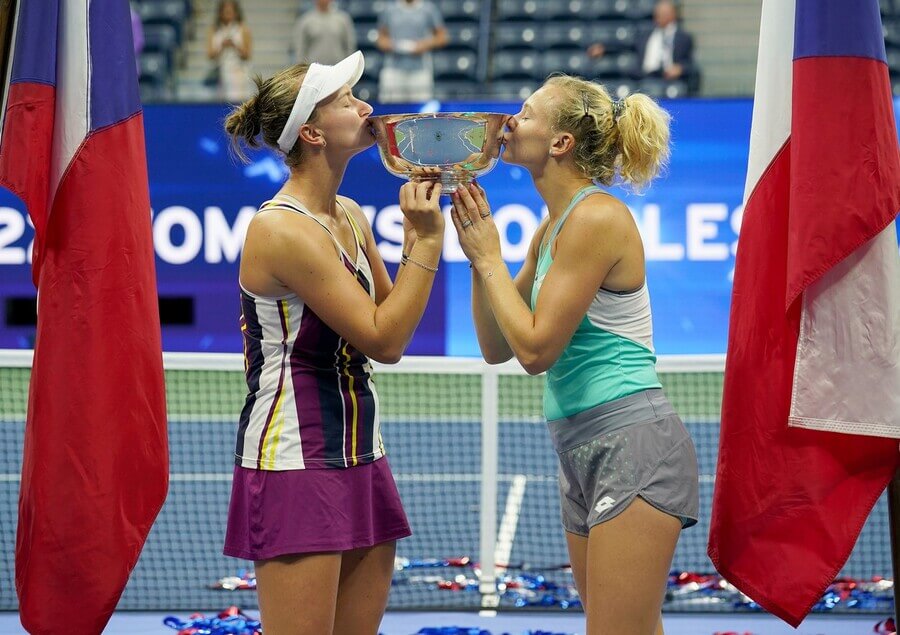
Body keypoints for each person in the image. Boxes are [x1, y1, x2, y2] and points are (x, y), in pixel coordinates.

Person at [449, 76, 699, 635]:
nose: (510, 122)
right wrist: (475, 249)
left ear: (560, 142)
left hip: (633, 444)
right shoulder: (551, 228)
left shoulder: (597, 217)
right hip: (579, 447)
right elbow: (495, 346)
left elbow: (535, 350)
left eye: (527, 113)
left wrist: (491, 257)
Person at [222, 51, 445, 634]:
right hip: (296, 457)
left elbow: (391, 323)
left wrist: (432, 239)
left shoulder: (348, 214)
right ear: (314, 133)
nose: (367, 107)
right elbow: (385, 338)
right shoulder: (281, 230)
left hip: (360, 450)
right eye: (348, 100)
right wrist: (424, 239)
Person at [588, 0, 699, 94]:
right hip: (644, 77)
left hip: (669, 80)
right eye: (657, 13)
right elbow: (624, 45)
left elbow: (690, 64)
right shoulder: (645, 35)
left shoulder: (684, 38)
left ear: (673, 14)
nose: (659, 16)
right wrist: (604, 48)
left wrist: (680, 68)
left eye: (663, 13)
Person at [376, 0, 448, 103]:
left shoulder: (429, 9)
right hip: (393, 70)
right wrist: (391, 45)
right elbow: (380, 39)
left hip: (420, 71)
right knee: (390, 110)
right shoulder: (389, 9)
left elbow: (442, 37)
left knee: (421, 112)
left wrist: (425, 44)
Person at [207, 0, 253, 101]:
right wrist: (222, 46)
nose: (228, 14)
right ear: (220, 13)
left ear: (236, 12)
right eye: (225, 11)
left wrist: (235, 45)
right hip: (220, 74)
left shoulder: (243, 29)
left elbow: (247, 55)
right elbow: (210, 55)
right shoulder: (214, 30)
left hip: (239, 73)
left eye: (231, 11)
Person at [291, 0, 357, 66]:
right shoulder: (305, 21)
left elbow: (350, 46)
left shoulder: (343, 19)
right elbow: (300, 50)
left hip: (338, 69)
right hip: (314, 70)